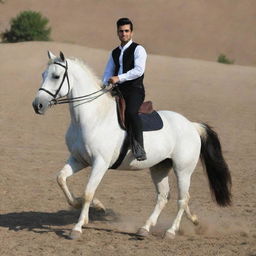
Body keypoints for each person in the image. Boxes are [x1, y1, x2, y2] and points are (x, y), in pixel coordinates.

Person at [102, 17, 147, 161]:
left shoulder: (139, 49)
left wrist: (119, 78)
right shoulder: (114, 52)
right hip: (118, 90)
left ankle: (139, 147)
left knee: (131, 112)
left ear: (132, 32)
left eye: (127, 31)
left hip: (135, 89)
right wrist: (103, 85)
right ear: (117, 32)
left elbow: (139, 70)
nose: (124, 34)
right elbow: (108, 72)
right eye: (121, 31)